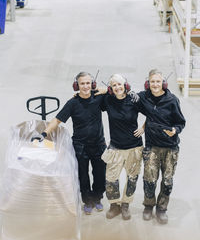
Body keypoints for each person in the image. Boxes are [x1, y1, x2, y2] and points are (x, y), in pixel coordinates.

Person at [31, 72, 106, 215]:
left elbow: (118, 94)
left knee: (100, 174)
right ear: (76, 85)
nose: (85, 86)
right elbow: (57, 120)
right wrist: (44, 133)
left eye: (88, 83)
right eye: (82, 83)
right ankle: (87, 201)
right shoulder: (72, 103)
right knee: (82, 176)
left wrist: (106, 90)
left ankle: (97, 198)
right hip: (80, 146)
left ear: (93, 84)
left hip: (98, 144)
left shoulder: (99, 98)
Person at [138, 69, 186, 224]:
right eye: (152, 81)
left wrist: (175, 130)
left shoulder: (172, 100)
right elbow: (125, 96)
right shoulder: (143, 97)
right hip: (152, 146)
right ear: (148, 84)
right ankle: (148, 206)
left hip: (170, 148)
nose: (155, 84)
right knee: (149, 180)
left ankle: (161, 209)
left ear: (163, 83)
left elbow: (180, 122)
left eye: (158, 81)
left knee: (167, 181)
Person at [99, 74, 145, 220]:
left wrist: (143, 127)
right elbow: (89, 96)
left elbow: (152, 112)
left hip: (134, 147)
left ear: (125, 85)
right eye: (114, 85)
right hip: (115, 147)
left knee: (132, 178)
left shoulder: (134, 100)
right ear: (110, 88)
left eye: (119, 84)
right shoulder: (107, 100)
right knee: (111, 179)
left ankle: (125, 205)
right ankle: (114, 205)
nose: (117, 87)